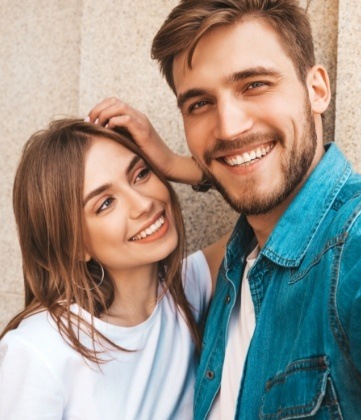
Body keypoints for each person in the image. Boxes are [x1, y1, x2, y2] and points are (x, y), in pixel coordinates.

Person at [87, 1, 361, 419]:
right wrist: (184, 166)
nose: (228, 127)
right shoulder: (231, 267)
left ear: (316, 90)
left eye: (254, 85)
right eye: (200, 104)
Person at [0, 119, 226, 419]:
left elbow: (270, 212)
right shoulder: (39, 350)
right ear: (73, 246)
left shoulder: (185, 288)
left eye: (141, 173)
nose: (143, 203)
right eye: (105, 203)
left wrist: (176, 164)